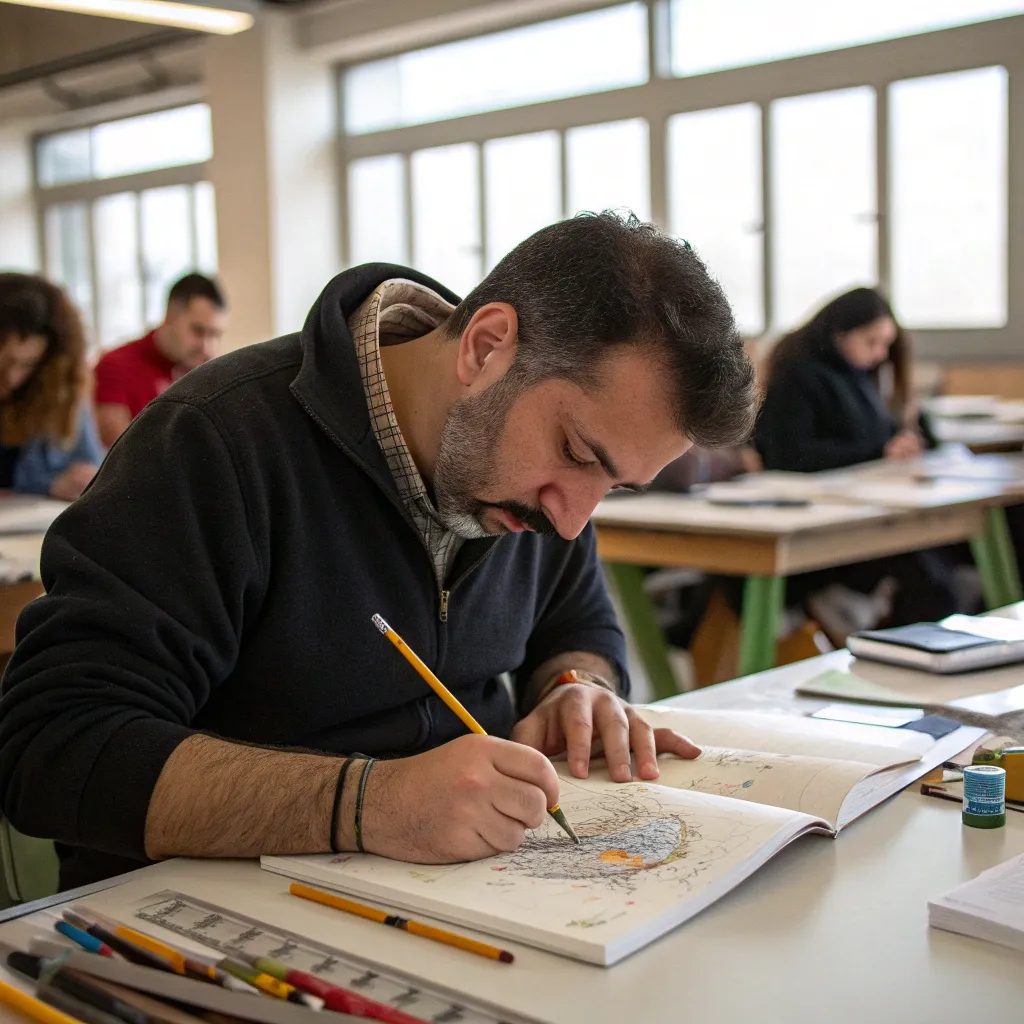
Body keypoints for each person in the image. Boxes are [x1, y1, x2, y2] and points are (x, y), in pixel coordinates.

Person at [0, 213, 756, 891]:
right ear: (488, 347)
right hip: (207, 924)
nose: (572, 520)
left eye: (614, 486)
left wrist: (574, 687)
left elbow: (575, 622)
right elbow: (56, 746)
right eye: (577, 452)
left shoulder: (537, 488)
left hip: (464, 899)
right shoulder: (213, 441)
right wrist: (367, 803)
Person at [754, 286, 957, 638]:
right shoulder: (799, 374)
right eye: (872, 342)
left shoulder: (860, 376)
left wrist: (912, 425)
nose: (880, 354)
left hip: (866, 509)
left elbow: (880, 432)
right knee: (928, 577)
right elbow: (790, 456)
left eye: (885, 345)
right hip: (818, 521)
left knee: (942, 564)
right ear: (840, 334)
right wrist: (879, 452)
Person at [0, 273, 103, 501]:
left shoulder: (59, 389)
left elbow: (91, 466)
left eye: (28, 365)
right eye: (3, 363)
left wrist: (82, 482)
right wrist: (47, 486)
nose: (12, 379)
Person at [93, 273, 227, 447]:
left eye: (215, 335)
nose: (208, 347)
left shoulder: (206, 372)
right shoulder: (116, 366)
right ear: (169, 317)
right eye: (198, 331)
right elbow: (122, 454)